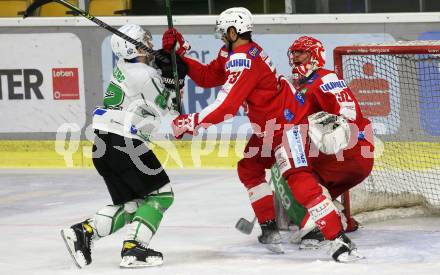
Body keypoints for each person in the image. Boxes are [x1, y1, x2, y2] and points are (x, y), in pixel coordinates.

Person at [163, 8, 368, 262]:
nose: (220, 38)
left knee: (299, 181)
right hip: (267, 129)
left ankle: (339, 240)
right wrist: (181, 58)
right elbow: (207, 76)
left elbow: (226, 107)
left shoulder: (243, 60)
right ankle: (269, 228)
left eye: (222, 33)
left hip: (287, 125)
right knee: (249, 167)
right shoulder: (234, 53)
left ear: (232, 31)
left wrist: (191, 121)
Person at [60, 24, 187, 268]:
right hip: (126, 143)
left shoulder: (125, 68)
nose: (150, 46)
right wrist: (174, 75)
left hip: (104, 145)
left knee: (137, 204)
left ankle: (84, 232)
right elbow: (170, 110)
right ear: (135, 47)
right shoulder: (145, 74)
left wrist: (170, 64)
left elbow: (156, 84)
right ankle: (134, 248)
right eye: (146, 43)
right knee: (162, 195)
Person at [283, 36, 374, 249]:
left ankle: (320, 226)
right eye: (294, 52)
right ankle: (339, 218)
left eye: (301, 52)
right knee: (302, 190)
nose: (295, 56)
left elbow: (347, 107)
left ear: (315, 55)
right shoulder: (301, 85)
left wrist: (342, 125)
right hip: (345, 156)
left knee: (297, 174)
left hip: (350, 150)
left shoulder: (324, 77)